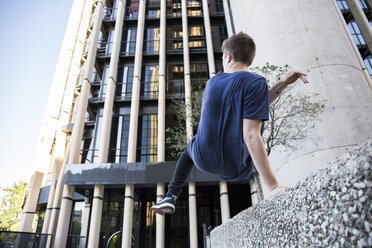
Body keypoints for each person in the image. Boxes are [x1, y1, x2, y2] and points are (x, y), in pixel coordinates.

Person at [151, 32, 309, 215]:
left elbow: (255, 101)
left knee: (188, 149)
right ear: (250, 59)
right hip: (236, 165)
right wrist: (273, 187)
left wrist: (281, 83)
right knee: (253, 120)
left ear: (228, 56)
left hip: (202, 158)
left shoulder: (213, 81)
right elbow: (251, 134)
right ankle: (270, 184)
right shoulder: (255, 82)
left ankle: (171, 196)